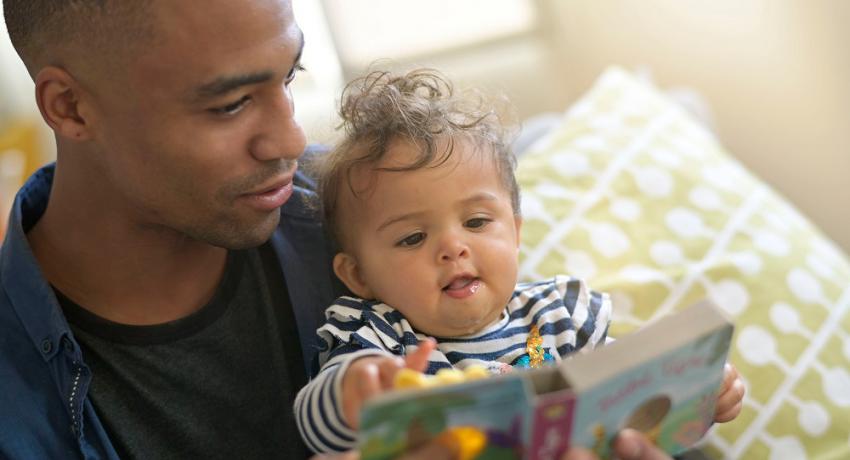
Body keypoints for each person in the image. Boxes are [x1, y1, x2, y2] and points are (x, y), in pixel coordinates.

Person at [0, 0, 723, 459]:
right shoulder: (16, 396)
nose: (289, 138)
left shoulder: (371, 204)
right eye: (229, 106)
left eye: (289, 78)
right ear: (69, 107)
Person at [293, 69, 745, 455]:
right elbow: (315, 425)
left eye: (475, 221)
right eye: (412, 237)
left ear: (515, 231)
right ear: (358, 275)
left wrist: (700, 398)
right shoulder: (379, 338)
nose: (453, 248)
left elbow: (630, 411)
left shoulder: (558, 316)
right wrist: (353, 391)